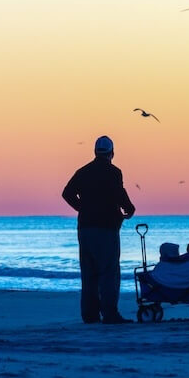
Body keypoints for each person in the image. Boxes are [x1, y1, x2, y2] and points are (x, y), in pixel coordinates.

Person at [62, 135, 135, 324]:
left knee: (89, 272)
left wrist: (83, 209)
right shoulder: (113, 172)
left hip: (85, 228)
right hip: (106, 228)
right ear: (112, 153)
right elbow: (120, 193)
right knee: (109, 271)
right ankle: (110, 314)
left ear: (95, 152)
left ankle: (89, 314)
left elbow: (67, 193)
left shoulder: (83, 171)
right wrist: (129, 209)